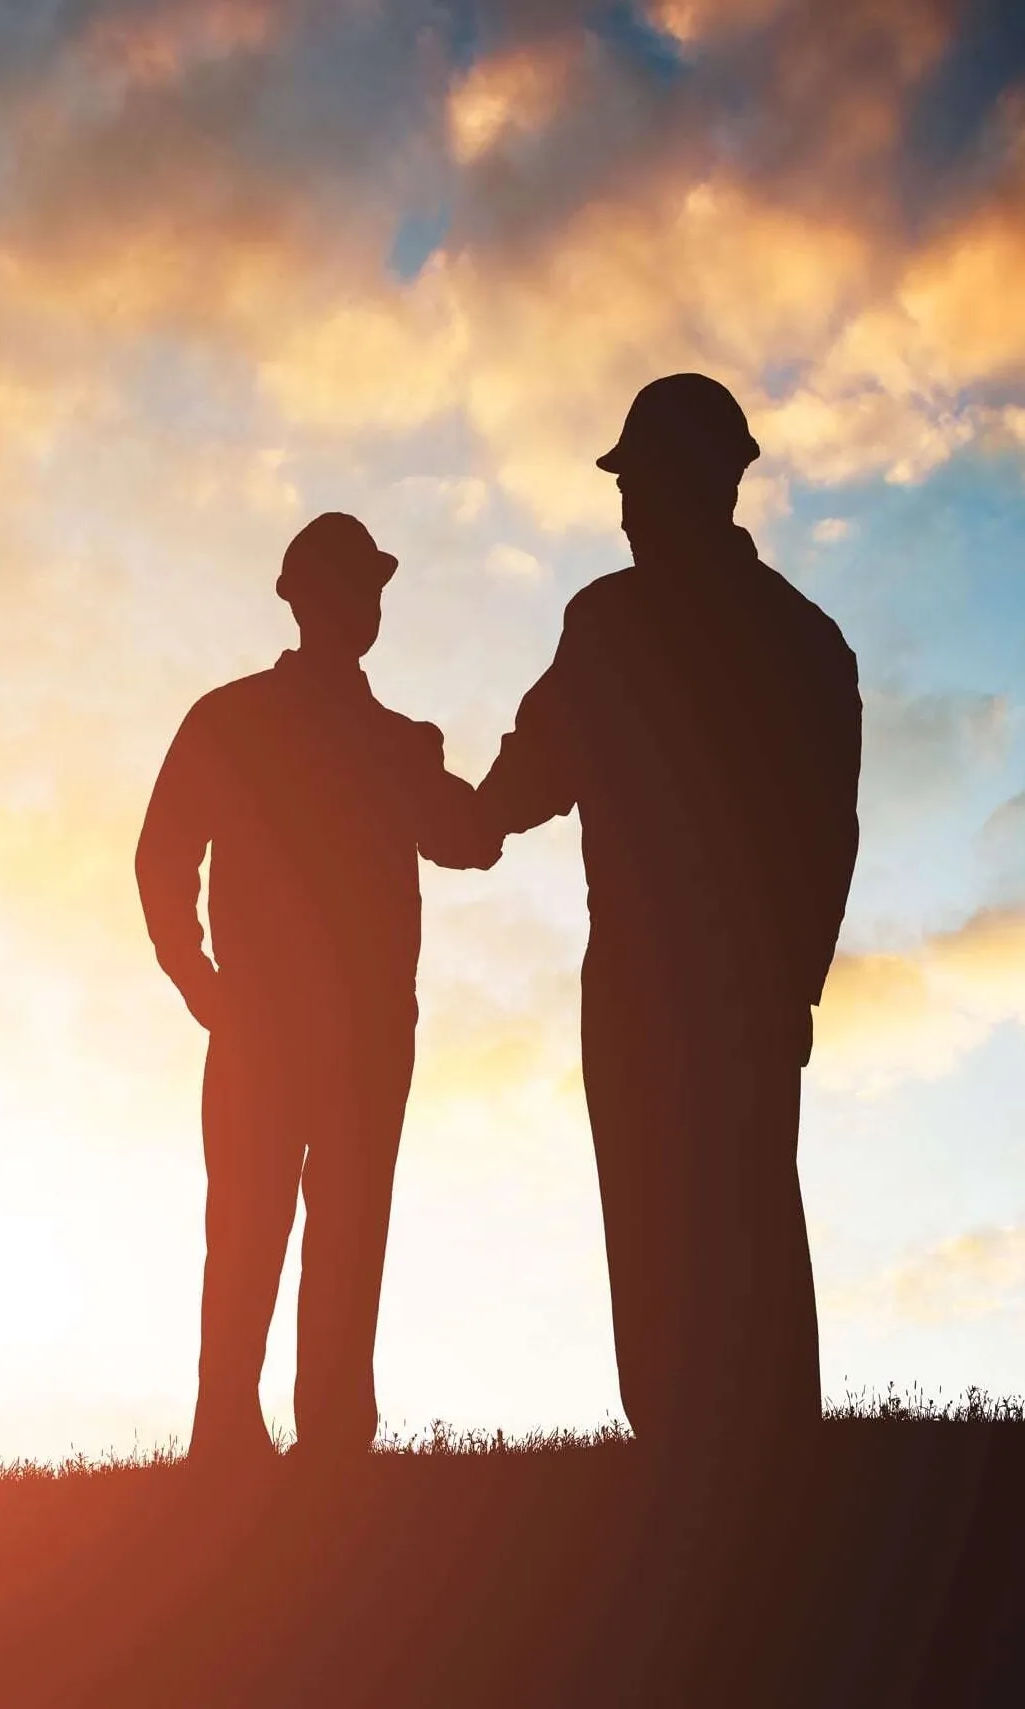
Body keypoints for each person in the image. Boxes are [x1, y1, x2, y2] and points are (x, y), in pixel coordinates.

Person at [472, 374, 862, 1455]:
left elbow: (538, 765)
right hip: (742, 984)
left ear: (701, 486)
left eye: (640, 485)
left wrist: (463, 820)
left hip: (659, 980)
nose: (629, 510)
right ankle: (759, 1462)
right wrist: (795, 986)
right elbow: (830, 836)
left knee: (664, 1211)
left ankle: (703, 1456)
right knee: (740, 1209)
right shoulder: (808, 640)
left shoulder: (615, 621)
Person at [136, 512, 483, 1469]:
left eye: (367, 589)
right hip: (300, 1028)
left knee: (299, 1223)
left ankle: (285, 1436)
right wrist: (197, 976)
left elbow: (466, 838)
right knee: (292, 1223)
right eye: (350, 589)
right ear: (303, 600)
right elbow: (164, 854)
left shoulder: (302, 727)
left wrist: (199, 978)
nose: (360, 607)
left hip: (309, 1029)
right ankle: (273, 1434)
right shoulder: (295, 727)